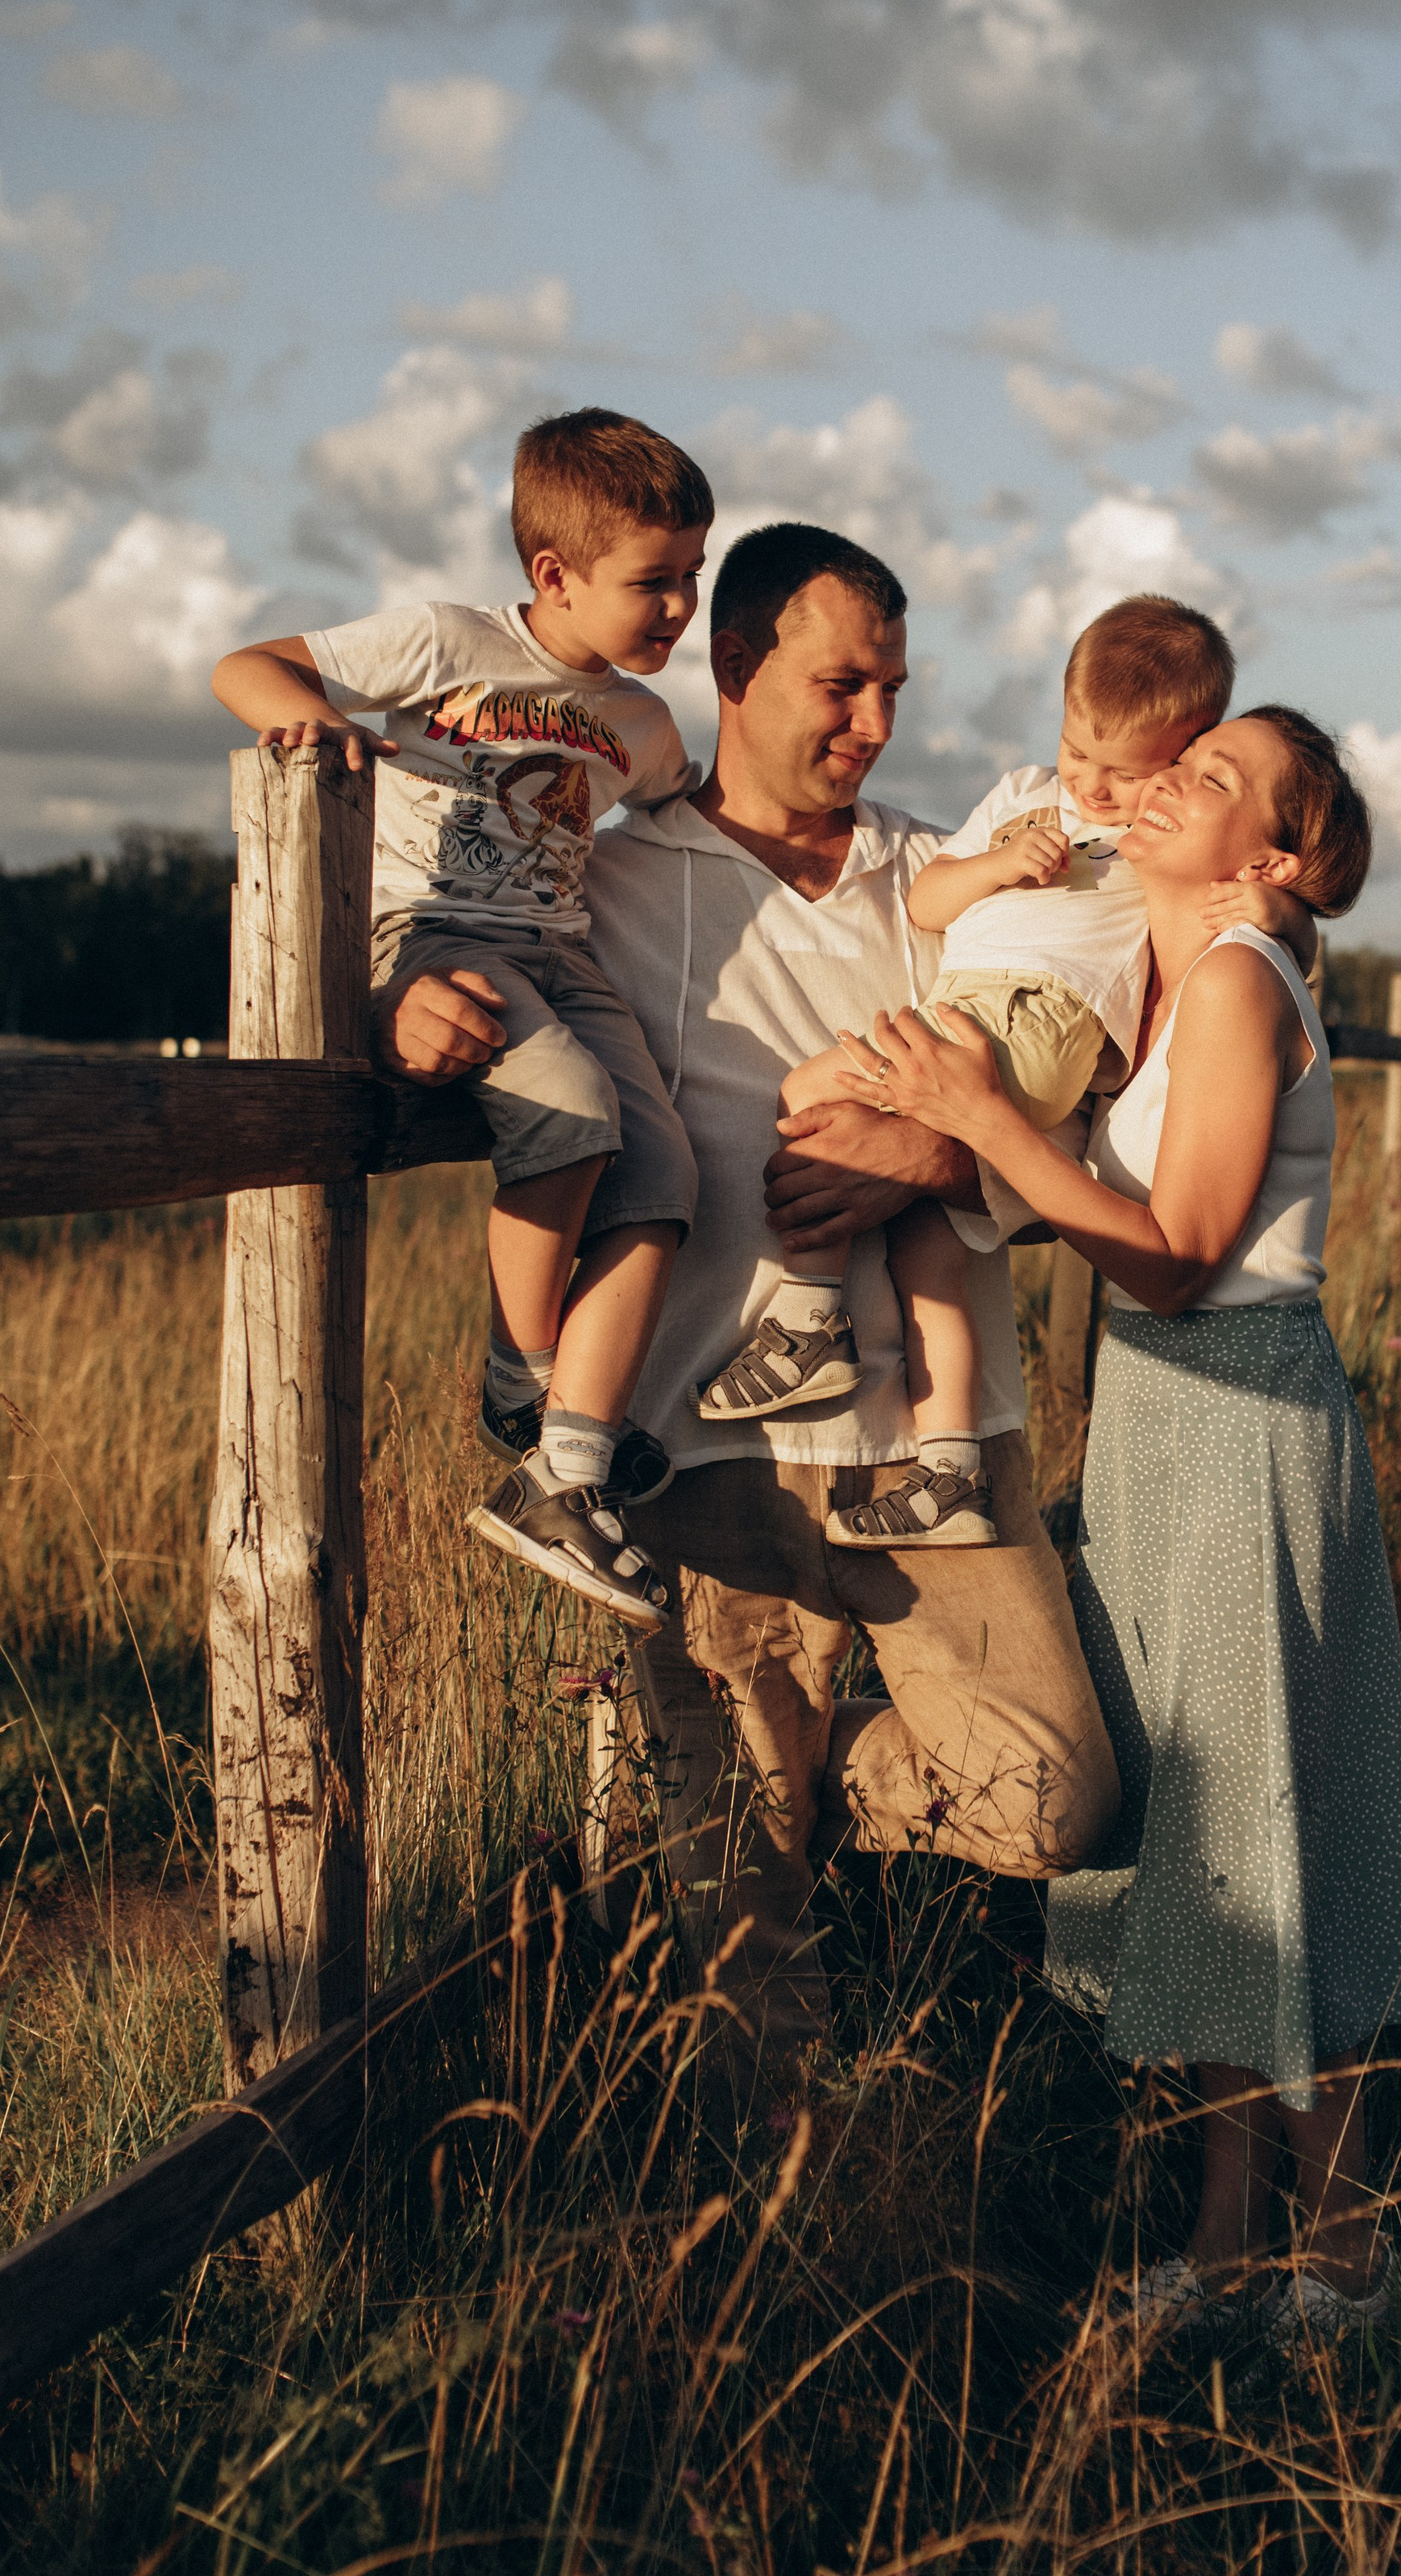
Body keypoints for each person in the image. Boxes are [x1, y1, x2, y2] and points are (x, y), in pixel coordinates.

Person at [377, 518, 1123, 2099]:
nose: (876, 722)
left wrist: (939, 1155)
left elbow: (1085, 1088)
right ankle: (777, 2174)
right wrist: (403, 1005)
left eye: (894, 688)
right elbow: (454, 967)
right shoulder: (604, 870)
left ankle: (782, 1780)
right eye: (842, 684)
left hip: (931, 1437)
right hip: (702, 1446)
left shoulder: (953, 880)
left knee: (1053, 1795)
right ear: (731, 665)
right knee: (738, 1903)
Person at [862, 706, 1401, 2348]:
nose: (1175, 775)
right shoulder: (1170, 974)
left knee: (1266, 1826)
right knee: (1203, 1831)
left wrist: (986, 1120)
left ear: (1272, 852)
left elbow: (1178, 1253)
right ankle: (1226, 2247)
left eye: (1219, 774)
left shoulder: (1243, 977)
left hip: (1239, 1412)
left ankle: (1343, 2259)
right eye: (1184, 758)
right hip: (1167, 1419)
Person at [213, 409, 713, 1637]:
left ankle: (569, 1464)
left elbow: (693, 817)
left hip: (563, 951)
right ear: (555, 573)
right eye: (654, 581)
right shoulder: (447, 640)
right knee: (573, 1111)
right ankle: (521, 1375)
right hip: (433, 935)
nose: (680, 608)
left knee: (666, 1168)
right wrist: (317, 722)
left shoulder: (643, 724)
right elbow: (245, 667)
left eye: (693, 575)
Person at [692, 596, 1242, 1555]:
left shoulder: (1157, 840)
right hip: (984, 1008)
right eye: (1077, 751)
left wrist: (1262, 913)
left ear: (1184, 754)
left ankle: (812, 1313)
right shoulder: (1025, 794)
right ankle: (949, 1470)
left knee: (811, 1088)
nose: (1092, 785)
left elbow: (1226, 908)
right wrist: (1000, 863)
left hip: (1033, 1015)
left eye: (1125, 772)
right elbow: (929, 897)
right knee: (930, 1246)